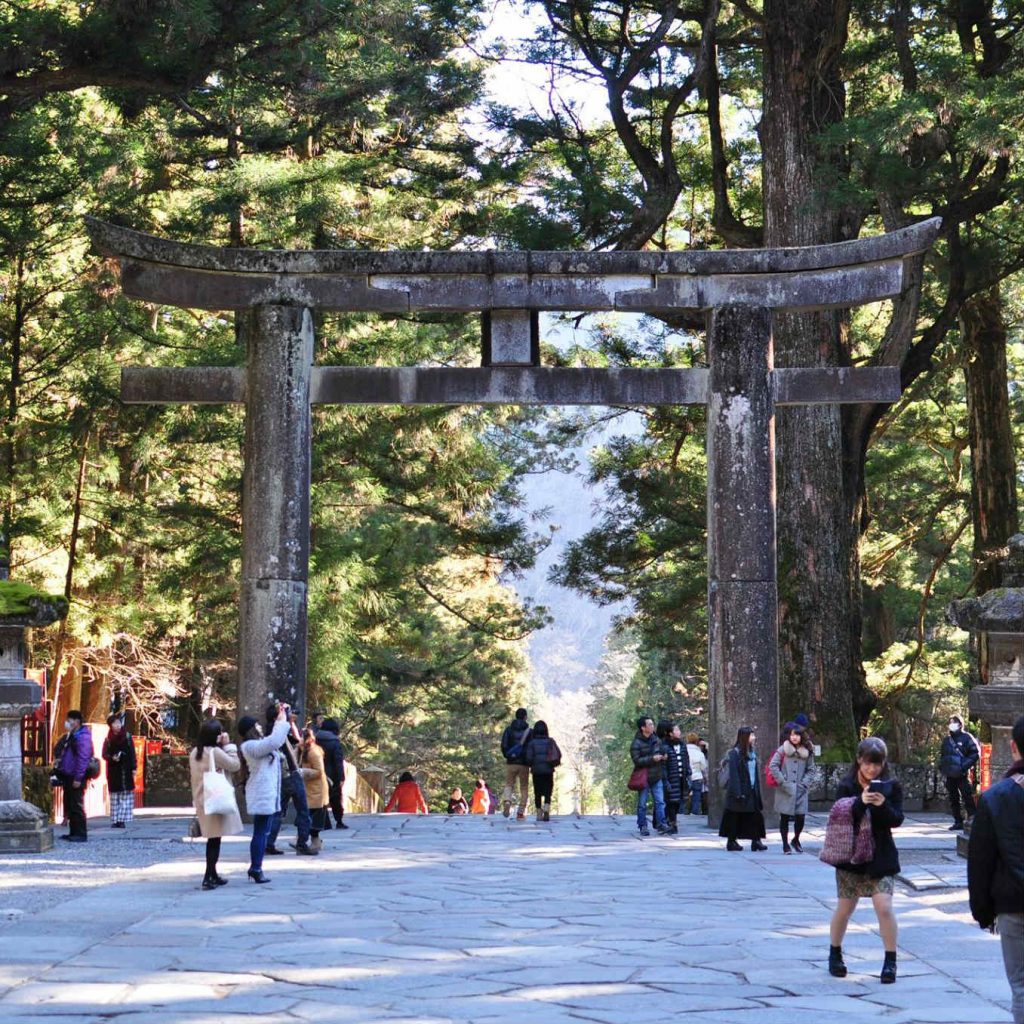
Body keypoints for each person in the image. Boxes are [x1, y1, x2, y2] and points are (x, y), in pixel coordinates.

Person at [827, 736, 904, 984]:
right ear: (859, 760)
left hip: (881, 856)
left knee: (884, 907)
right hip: (851, 858)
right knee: (845, 908)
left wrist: (881, 806)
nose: (872, 769)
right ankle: (835, 953)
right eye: (868, 763)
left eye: (877, 764)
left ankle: (890, 960)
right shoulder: (847, 785)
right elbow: (841, 817)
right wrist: (860, 802)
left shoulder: (891, 786)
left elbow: (896, 819)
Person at [968, 714, 1024, 1024]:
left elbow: (980, 860)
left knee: (1021, 985)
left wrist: (983, 910)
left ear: (1014, 747)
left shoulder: (996, 798)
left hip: (1014, 903)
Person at [238, 705, 291, 883]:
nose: (260, 727)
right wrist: (281, 721)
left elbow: (274, 742)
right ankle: (255, 868)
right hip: (262, 794)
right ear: (251, 729)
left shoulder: (255, 745)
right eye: (257, 725)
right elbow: (274, 741)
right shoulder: (250, 746)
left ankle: (256, 867)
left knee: (262, 831)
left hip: (265, 793)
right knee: (260, 832)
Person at [189, 718, 242, 889]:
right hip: (214, 798)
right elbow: (235, 765)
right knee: (214, 840)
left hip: (201, 799)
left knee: (213, 838)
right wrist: (229, 746)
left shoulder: (195, 752)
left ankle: (212, 874)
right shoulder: (214, 752)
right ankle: (208, 876)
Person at [265, 705, 316, 856]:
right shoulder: (278, 731)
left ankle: (269, 842)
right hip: (291, 774)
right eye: (286, 712)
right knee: (303, 810)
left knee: (278, 812)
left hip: (280, 776)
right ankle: (302, 843)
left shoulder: (269, 731)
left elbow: (296, 739)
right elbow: (298, 741)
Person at [718, 725, 767, 852]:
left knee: (755, 816)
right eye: (751, 735)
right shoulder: (734, 753)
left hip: (752, 789)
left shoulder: (752, 753)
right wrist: (737, 792)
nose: (754, 737)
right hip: (739, 791)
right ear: (745, 737)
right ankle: (731, 841)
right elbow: (733, 774)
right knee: (734, 816)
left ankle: (756, 840)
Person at [769, 723, 815, 853]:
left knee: (800, 817)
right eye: (792, 734)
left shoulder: (807, 751)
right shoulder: (783, 749)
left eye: (797, 735)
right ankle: (785, 844)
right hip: (785, 789)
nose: (794, 737)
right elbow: (773, 765)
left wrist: (804, 783)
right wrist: (782, 781)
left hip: (801, 789)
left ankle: (796, 839)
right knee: (784, 817)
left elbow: (811, 769)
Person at [56, 710, 93, 843]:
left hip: (76, 775)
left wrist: (78, 777)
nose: (67, 722)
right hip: (69, 774)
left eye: (69, 719)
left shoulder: (82, 737)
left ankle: (80, 833)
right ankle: (73, 832)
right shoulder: (73, 735)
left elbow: (83, 758)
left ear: (76, 721)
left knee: (77, 804)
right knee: (71, 804)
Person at [939, 714, 980, 831]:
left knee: (967, 796)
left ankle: (973, 819)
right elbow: (943, 756)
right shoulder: (947, 740)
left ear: (960, 724)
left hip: (962, 774)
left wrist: (963, 766)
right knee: (953, 798)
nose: (951, 725)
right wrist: (942, 768)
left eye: (954, 722)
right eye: (950, 722)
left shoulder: (967, 738)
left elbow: (975, 753)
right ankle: (958, 821)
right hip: (950, 774)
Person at [631, 715, 667, 837]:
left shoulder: (656, 739)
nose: (652, 726)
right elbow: (637, 761)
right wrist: (652, 758)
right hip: (644, 776)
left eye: (652, 724)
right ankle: (643, 825)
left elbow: (662, 751)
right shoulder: (636, 743)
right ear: (643, 727)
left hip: (656, 775)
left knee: (660, 802)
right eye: (650, 724)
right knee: (642, 803)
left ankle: (662, 824)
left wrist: (664, 756)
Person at [102, 714, 137, 829]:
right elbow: (104, 754)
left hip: (126, 769)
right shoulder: (108, 739)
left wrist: (134, 768)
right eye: (115, 723)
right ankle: (115, 820)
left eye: (118, 723)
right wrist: (112, 757)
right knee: (114, 797)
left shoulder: (127, 736)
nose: (117, 725)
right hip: (113, 770)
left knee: (125, 796)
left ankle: (122, 820)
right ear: (110, 726)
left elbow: (132, 753)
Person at [299, 727, 330, 851]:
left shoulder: (314, 752)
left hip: (316, 791)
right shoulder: (303, 750)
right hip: (308, 789)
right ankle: (302, 839)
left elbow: (319, 771)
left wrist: (304, 771)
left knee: (313, 820)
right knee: (306, 817)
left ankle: (315, 842)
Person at [524, 720, 561, 821]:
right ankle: (546, 810)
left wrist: (532, 764)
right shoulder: (550, 741)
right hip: (548, 770)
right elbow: (558, 754)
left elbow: (528, 758)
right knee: (548, 791)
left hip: (536, 771)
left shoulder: (532, 743)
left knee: (538, 792)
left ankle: (539, 813)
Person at [500, 708, 532, 820]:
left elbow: (504, 745)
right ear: (525, 717)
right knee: (523, 786)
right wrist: (529, 760)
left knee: (509, 784)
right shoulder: (529, 731)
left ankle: (507, 801)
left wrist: (508, 756)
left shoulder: (508, 730)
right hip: (524, 764)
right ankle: (521, 810)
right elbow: (531, 747)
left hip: (511, 763)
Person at [316, 717, 348, 830]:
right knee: (335, 799)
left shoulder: (315, 739)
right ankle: (339, 821)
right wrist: (341, 777)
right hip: (332, 775)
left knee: (320, 799)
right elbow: (338, 762)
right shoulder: (335, 742)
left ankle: (324, 823)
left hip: (317, 773)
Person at [660, 721, 691, 834]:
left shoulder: (682, 745)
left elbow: (686, 759)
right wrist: (665, 780)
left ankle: (671, 820)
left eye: (679, 730)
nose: (679, 732)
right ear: (670, 733)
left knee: (678, 802)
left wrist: (688, 772)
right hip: (671, 778)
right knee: (671, 802)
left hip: (681, 778)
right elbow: (663, 766)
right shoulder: (664, 746)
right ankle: (672, 824)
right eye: (676, 730)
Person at [685, 731, 708, 816]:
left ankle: (681, 814)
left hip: (685, 777)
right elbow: (703, 767)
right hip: (697, 777)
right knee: (696, 797)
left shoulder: (684, 750)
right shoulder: (699, 753)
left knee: (684, 797)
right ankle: (695, 813)